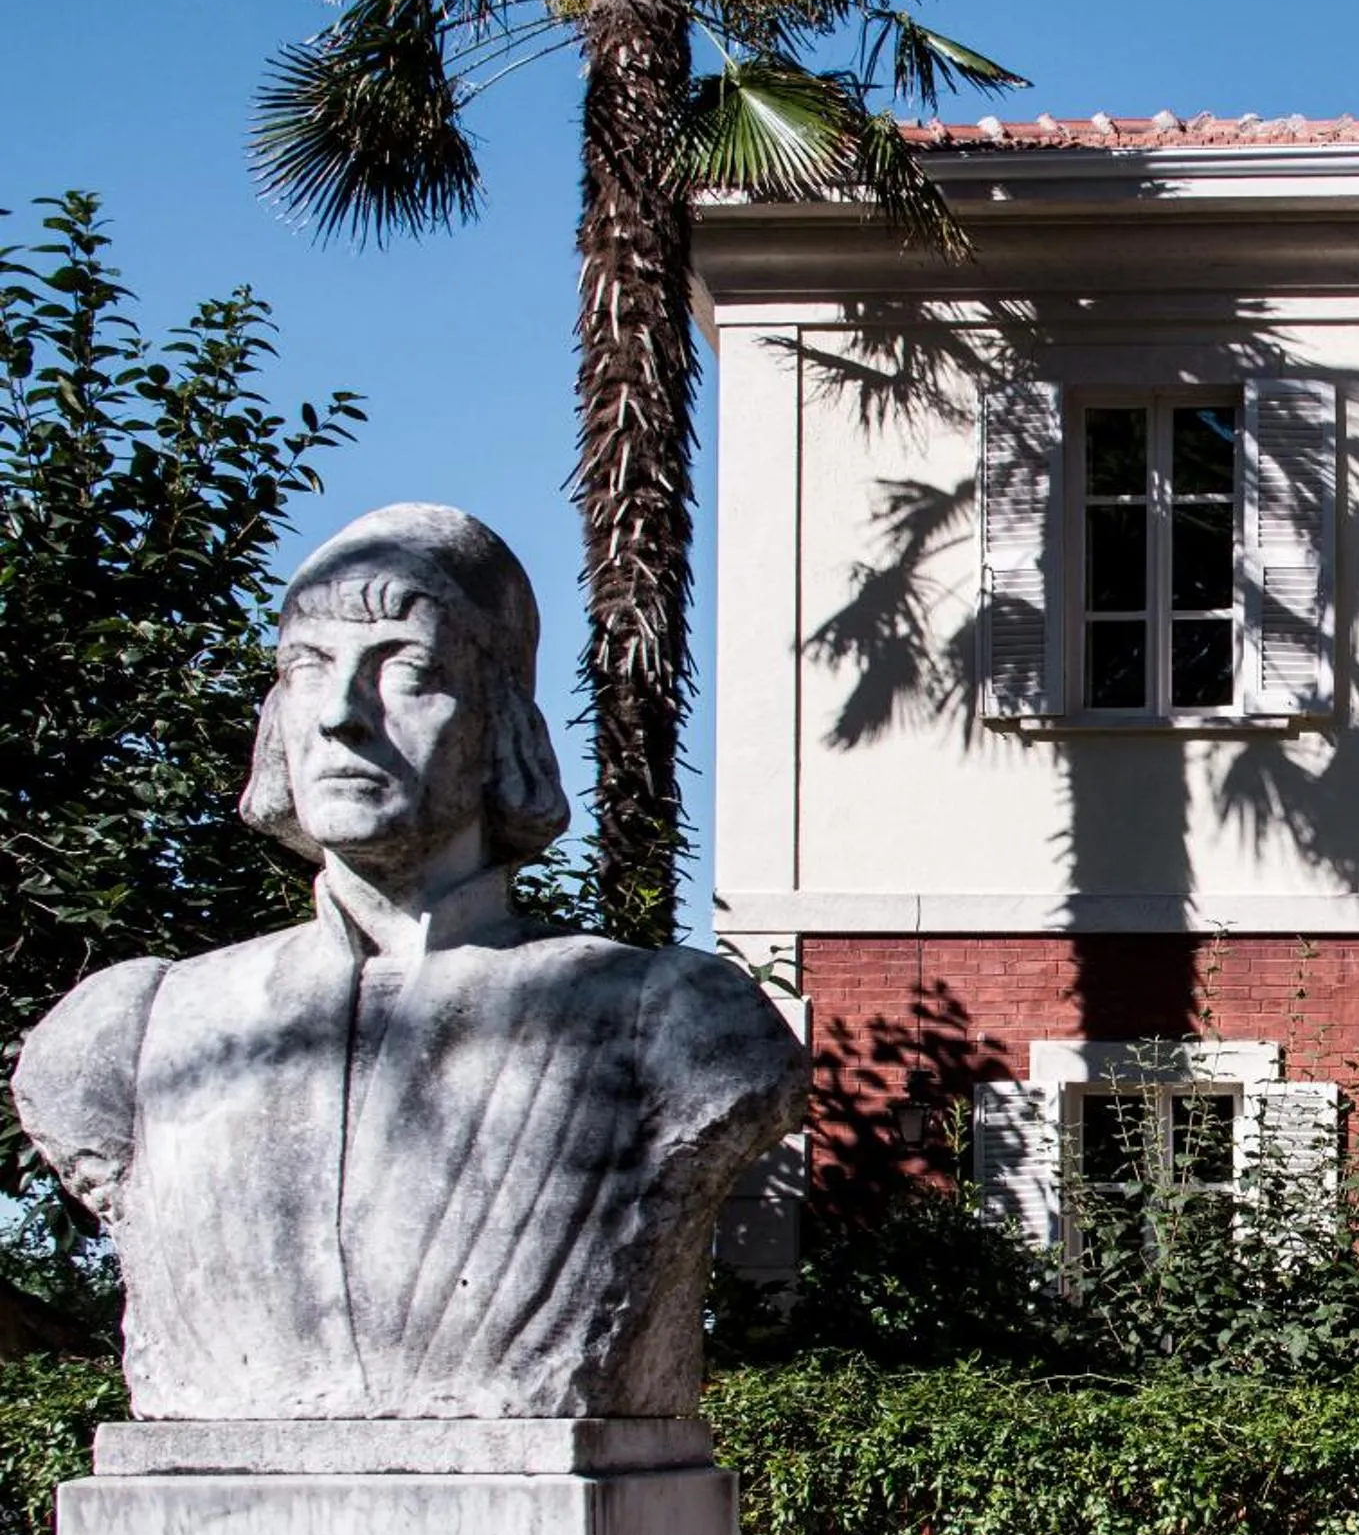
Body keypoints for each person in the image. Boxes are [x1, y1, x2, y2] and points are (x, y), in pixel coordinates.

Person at [9, 503, 806, 1420]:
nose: (342, 716)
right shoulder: (136, 1032)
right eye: (307, 669)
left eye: (407, 673)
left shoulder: (668, 1024)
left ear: (500, 721)